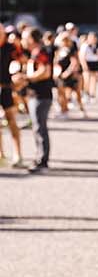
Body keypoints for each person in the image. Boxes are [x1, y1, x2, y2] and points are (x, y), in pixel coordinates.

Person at [15, 27, 55, 172]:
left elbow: (45, 72)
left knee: (39, 128)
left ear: (31, 39)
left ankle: (42, 161)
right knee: (37, 127)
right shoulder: (35, 52)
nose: (23, 40)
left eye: (25, 37)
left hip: (41, 95)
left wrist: (26, 78)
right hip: (36, 94)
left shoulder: (40, 52)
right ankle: (40, 158)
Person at [0, 21, 26, 168]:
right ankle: (1, 154)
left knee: (11, 120)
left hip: (6, 88)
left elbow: (23, 61)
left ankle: (17, 154)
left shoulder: (11, 47)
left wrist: (19, 76)